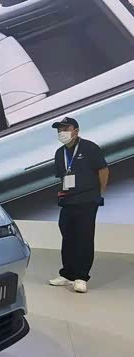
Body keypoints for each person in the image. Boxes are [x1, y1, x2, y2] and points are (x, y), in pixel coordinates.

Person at [48, 117, 109, 293]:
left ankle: (81, 277)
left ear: (76, 130)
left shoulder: (90, 148)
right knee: (67, 235)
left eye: (65, 129)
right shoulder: (60, 153)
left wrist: (99, 193)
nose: (62, 133)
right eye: (59, 130)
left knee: (84, 237)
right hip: (68, 200)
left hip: (87, 199)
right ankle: (67, 273)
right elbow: (63, 177)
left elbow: (103, 170)